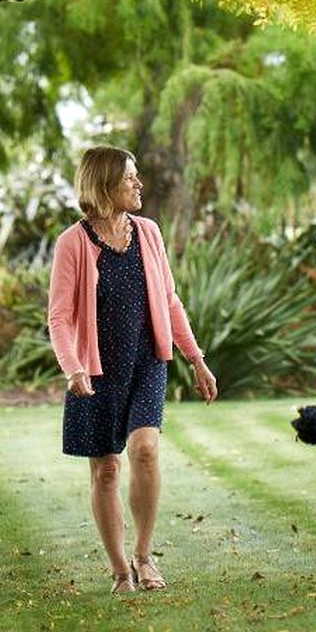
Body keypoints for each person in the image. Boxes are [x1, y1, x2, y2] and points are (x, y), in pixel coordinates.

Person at [47, 145, 219, 593]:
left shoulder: (148, 233)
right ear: (104, 185)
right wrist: (74, 368)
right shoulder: (74, 243)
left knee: (145, 450)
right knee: (106, 469)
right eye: (129, 178)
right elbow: (60, 317)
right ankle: (121, 569)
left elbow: (169, 301)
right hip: (95, 372)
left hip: (146, 361)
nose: (138, 184)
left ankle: (145, 556)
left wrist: (196, 359)